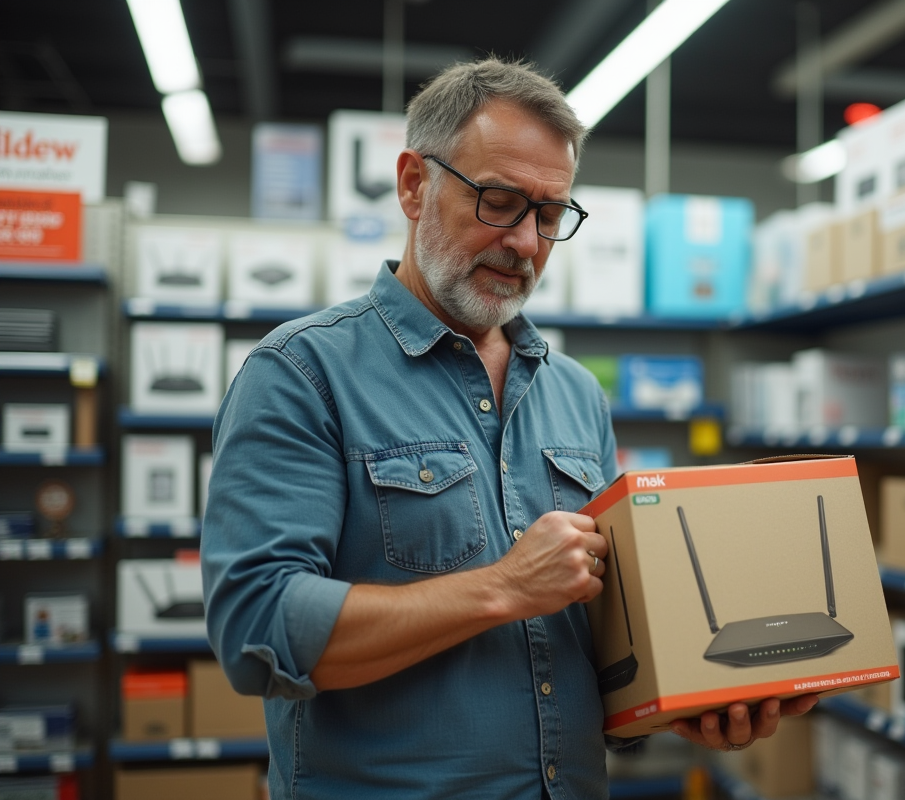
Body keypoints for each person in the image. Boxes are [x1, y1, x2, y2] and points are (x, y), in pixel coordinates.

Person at [201, 57, 818, 800]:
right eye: (498, 201)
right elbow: (256, 629)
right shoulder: (302, 373)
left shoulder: (575, 394)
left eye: (550, 215)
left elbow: (586, 646)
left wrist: (680, 701)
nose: (526, 243)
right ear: (412, 184)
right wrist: (503, 587)